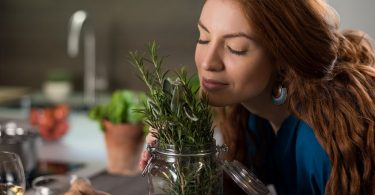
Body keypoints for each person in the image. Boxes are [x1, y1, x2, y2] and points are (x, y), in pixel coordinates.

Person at [140, 0, 375, 194]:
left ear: (283, 55)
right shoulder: (254, 115)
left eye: (236, 48)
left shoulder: (317, 145)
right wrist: (176, 140)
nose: (207, 62)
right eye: (203, 37)